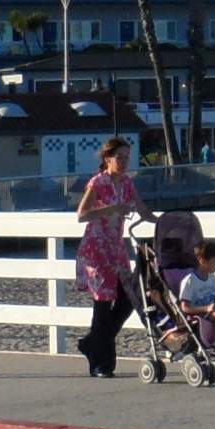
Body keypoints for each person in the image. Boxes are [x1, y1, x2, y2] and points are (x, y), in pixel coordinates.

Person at [72, 140, 147, 377]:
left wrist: (165, 222)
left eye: (127, 157)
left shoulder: (127, 183)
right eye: (119, 157)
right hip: (96, 250)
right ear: (108, 159)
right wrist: (111, 209)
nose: (124, 162)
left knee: (128, 299)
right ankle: (102, 364)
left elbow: (142, 210)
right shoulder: (98, 182)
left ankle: (92, 343)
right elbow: (82, 215)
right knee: (103, 305)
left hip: (116, 250)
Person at [164, 241, 215, 352]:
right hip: (198, 314)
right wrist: (206, 308)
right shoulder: (190, 280)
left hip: (211, 311)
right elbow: (185, 307)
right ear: (203, 261)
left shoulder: (211, 277)